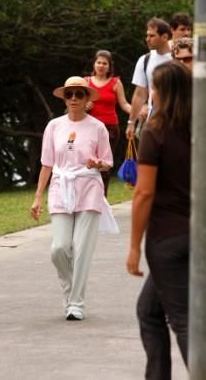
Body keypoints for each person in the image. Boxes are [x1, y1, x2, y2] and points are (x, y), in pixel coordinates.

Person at [126, 61, 191, 379]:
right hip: (195, 235)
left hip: (166, 239)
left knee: (183, 321)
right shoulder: (198, 128)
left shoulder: (157, 130)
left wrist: (135, 246)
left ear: (160, 91)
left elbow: (144, 193)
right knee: (150, 311)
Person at [30, 76, 113, 321]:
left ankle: (76, 304)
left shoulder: (98, 127)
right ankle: (69, 291)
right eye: (70, 94)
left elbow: (107, 161)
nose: (74, 98)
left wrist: (98, 163)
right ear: (65, 99)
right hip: (60, 187)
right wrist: (37, 198)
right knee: (58, 249)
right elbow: (46, 164)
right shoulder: (54, 126)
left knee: (82, 250)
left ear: (87, 99)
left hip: (89, 188)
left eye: (79, 94)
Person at [85, 50, 131, 196]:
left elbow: (124, 104)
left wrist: (137, 112)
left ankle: (101, 199)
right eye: (99, 62)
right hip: (88, 128)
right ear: (94, 63)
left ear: (109, 66)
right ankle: (87, 197)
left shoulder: (115, 82)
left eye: (105, 63)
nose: (101, 65)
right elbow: (74, 103)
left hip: (109, 129)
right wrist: (85, 106)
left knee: (103, 165)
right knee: (87, 163)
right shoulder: (86, 82)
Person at [126, 17, 172, 140]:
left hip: (176, 120)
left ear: (164, 37)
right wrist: (131, 122)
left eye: (152, 36)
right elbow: (140, 94)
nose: (147, 39)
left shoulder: (178, 58)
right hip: (153, 120)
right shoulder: (145, 60)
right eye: (147, 35)